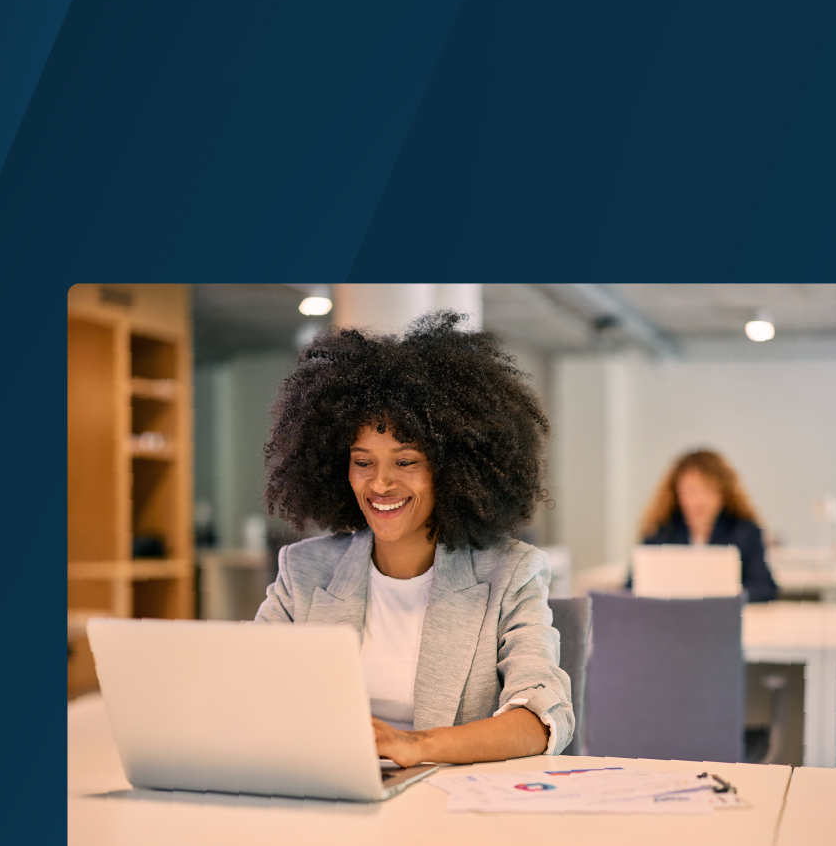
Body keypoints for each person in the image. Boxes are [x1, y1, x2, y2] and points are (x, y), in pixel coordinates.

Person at [254, 310, 573, 766]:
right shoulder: (304, 573)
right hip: (327, 794)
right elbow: (246, 687)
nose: (380, 484)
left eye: (405, 462)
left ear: (451, 470)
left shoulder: (510, 573)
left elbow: (543, 719)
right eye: (363, 462)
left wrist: (415, 746)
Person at [638, 450, 778, 603]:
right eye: (692, 490)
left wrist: (725, 598)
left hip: (724, 620)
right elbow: (633, 586)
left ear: (723, 493)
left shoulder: (744, 532)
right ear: (677, 493)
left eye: (709, 490)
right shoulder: (660, 532)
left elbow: (763, 587)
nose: (700, 500)